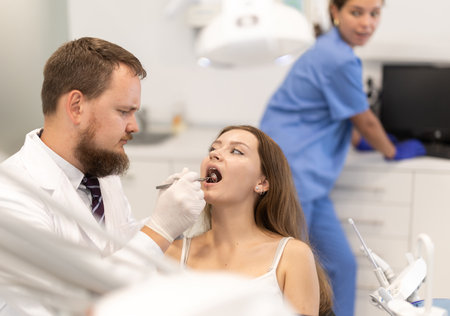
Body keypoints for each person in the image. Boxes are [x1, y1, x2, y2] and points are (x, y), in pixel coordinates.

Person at [0, 37, 205, 315]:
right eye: (124, 111)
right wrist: (159, 229)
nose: (134, 126)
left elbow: (116, 244)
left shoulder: (98, 168)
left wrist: (169, 217)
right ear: (76, 107)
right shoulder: (12, 197)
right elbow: (67, 305)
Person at [259, 1, 426, 315]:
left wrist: (361, 140)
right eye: (356, 12)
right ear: (334, 11)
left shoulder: (332, 51)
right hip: (290, 175)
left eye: (374, 14)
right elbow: (364, 119)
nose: (366, 23)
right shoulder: (337, 57)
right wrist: (392, 150)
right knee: (291, 274)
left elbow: (333, 113)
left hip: (311, 184)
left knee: (342, 266)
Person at [166, 125, 334, 316]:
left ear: (261, 183)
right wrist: (161, 227)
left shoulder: (292, 256)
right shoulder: (174, 253)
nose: (215, 154)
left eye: (236, 151)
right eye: (213, 149)